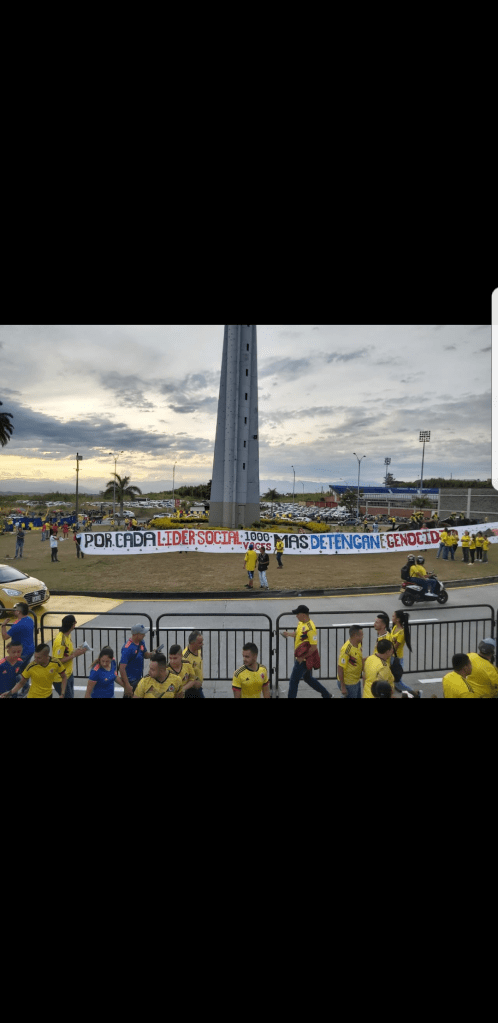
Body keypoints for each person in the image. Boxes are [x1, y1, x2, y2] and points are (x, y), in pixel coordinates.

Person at [281, 604, 332, 699]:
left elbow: (314, 647)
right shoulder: (301, 623)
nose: (296, 616)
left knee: (293, 681)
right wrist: (288, 634)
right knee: (308, 678)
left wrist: (302, 658)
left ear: (303, 615)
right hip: (302, 658)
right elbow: (297, 634)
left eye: (297, 614)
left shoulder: (310, 628)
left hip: (303, 660)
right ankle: (326, 694)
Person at [2, 642, 67, 699]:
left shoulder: (56, 663)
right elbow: (21, 683)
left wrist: (62, 694)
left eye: (39, 658)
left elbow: (64, 677)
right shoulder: (31, 666)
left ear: (46, 656)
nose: (35, 660)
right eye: (35, 657)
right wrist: (9, 693)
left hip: (48, 696)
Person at [52, 614, 86, 699]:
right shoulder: (60, 641)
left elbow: (67, 652)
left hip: (69, 673)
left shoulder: (67, 635)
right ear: (72, 625)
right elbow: (58, 661)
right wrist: (74, 655)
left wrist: (77, 650)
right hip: (60, 678)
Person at [119, 624, 155, 697]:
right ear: (136, 634)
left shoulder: (141, 642)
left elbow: (145, 655)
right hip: (130, 681)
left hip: (138, 679)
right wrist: (127, 685)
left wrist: (153, 653)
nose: (144, 635)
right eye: (142, 633)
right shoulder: (127, 648)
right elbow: (122, 668)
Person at [389, 609, 418, 695]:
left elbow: (395, 647)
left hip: (397, 658)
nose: (392, 617)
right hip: (392, 657)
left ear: (398, 619)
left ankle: (414, 693)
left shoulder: (401, 632)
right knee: (394, 679)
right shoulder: (395, 627)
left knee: (398, 682)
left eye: (393, 616)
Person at [1, 601, 35, 673]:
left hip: (21, 652)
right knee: (25, 671)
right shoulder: (30, 619)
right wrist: (12, 643)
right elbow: (23, 634)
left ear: (18, 612)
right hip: (30, 650)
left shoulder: (17, 625)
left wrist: (3, 625)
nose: (13, 611)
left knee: (16, 672)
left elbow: (5, 637)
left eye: (15, 609)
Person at [337, 625, 364, 698]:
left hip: (356, 680)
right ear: (355, 636)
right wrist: (343, 686)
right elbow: (340, 667)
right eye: (361, 635)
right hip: (349, 683)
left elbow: (359, 658)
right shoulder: (346, 650)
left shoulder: (358, 644)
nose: (363, 637)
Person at [182, 630, 205, 698]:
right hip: (191, 690)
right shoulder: (185, 658)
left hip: (198, 687)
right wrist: (195, 683)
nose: (202, 644)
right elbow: (185, 677)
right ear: (192, 643)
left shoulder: (198, 650)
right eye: (200, 642)